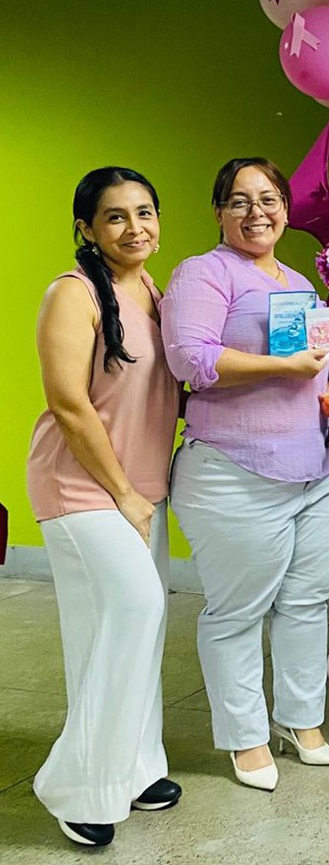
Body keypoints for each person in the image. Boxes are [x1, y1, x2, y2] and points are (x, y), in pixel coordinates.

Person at [163, 158, 329, 792]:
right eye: (239, 201)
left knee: (306, 603)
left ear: (286, 211)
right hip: (234, 471)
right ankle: (245, 737)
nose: (256, 212)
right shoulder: (204, 272)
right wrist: (284, 368)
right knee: (237, 611)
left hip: (315, 471)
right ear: (219, 212)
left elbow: (315, 369)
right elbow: (191, 359)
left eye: (268, 199)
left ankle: (301, 722)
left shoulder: (298, 282)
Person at [27, 168, 182, 847]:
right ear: (86, 229)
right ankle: (77, 786)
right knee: (137, 609)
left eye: (144, 212)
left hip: (141, 489)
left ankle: (134, 768)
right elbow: (68, 403)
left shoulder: (151, 291)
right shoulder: (73, 292)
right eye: (115, 216)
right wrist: (123, 493)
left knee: (125, 630)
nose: (134, 227)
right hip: (83, 487)